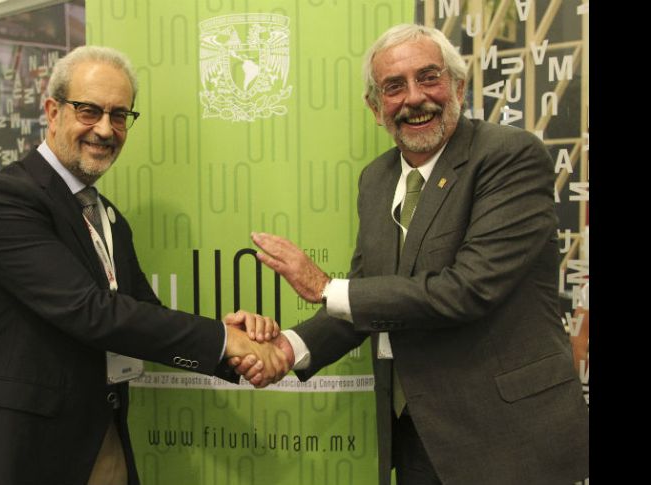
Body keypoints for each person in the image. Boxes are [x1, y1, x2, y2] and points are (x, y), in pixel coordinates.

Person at [232, 24, 589, 485]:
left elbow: (467, 290)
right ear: (375, 108)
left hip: (511, 438)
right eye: (394, 87)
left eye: (429, 77)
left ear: (458, 86)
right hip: (418, 435)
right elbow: (365, 297)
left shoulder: (509, 156)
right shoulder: (376, 179)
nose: (415, 98)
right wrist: (286, 348)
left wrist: (322, 287)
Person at [0, 45, 289, 485]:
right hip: (19, 451)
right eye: (89, 111)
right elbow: (91, 311)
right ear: (53, 112)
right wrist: (226, 341)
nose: (105, 129)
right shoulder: (6, 200)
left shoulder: (108, 217)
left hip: (101, 441)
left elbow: (144, 313)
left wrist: (232, 341)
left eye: (120, 115)